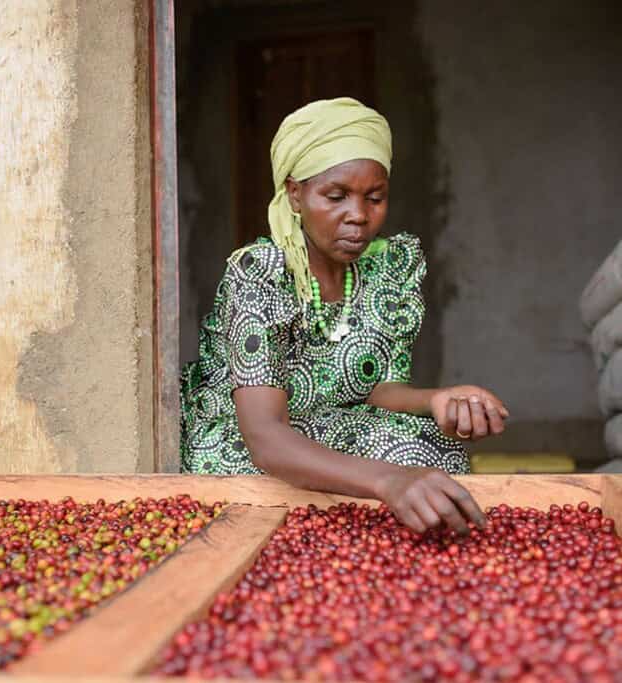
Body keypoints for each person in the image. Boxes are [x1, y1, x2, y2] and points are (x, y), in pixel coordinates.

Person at [181, 98, 509, 534]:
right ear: (295, 194)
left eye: (375, 198)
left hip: (335, 424)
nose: (358, 215)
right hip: (250, 443)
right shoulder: (260, 275)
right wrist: (388, 481)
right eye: (335, 196)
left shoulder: (389, 268)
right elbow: (264, 437)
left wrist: (436, 400)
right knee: (404, 467)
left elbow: (379, 389)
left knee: (436, 451)